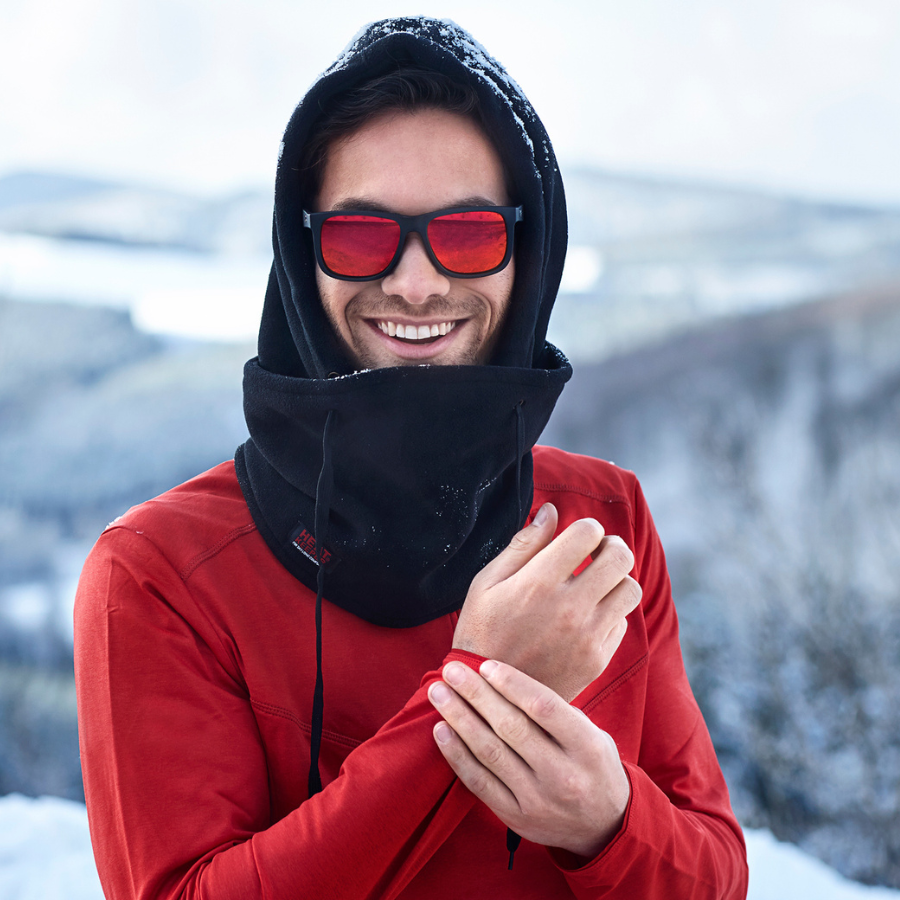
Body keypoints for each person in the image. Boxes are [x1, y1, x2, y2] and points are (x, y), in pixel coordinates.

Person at [74, 16, 749, 900]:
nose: (417, 281)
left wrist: (607, 824)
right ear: (300, 254)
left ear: (528, 252)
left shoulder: (602, 521)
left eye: (468, 235)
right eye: (360, 238)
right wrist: (476, 692)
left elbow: (717, 878)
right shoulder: (161, 574)